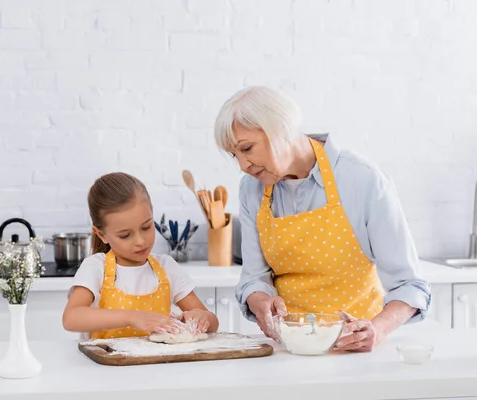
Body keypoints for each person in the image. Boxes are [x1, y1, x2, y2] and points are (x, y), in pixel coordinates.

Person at [213, 85, 431, 352]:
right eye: (235, 155)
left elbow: (410, 285)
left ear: (280, 130)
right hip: (288, 351)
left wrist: (377, 328)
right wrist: (259, 300)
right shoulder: (252, 189)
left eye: (247, 148)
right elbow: (253, 278)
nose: (243, 166)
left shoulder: (362, 180)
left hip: (355, 351)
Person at [63, 172, 219, 339]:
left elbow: (212, 323)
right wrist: (132, 317)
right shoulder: (96, 268)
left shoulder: (166, 267)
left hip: (159, 364)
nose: (140, 241)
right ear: (102, 235)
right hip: (107, 365)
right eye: (125, 235)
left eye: (146, 227)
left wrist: (202, 318)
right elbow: (71, 318)